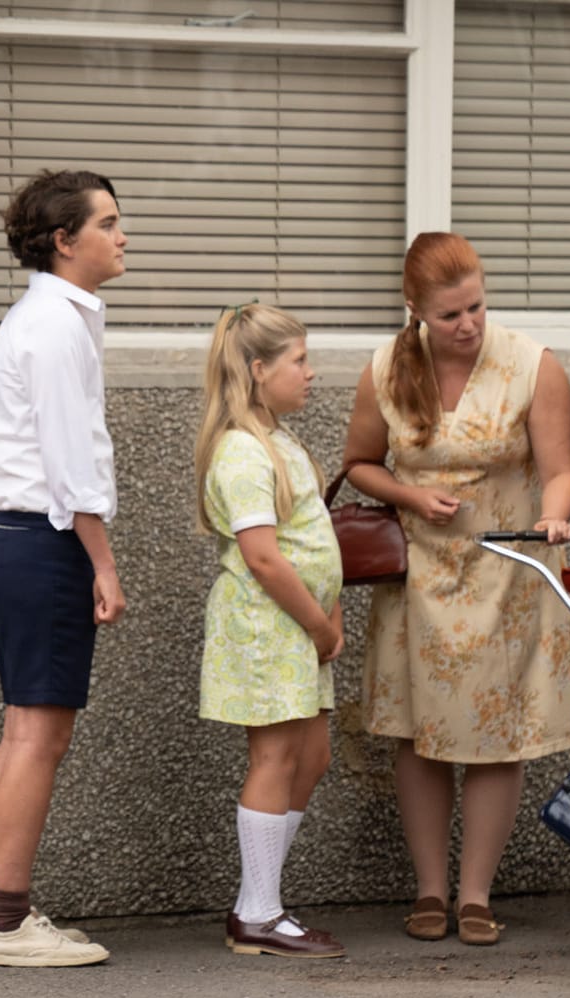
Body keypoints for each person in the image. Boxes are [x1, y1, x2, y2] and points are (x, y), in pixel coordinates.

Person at [341, 232, 570, 947]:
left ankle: (475, 894)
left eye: (476, 306)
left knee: (495, 737)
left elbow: (562, 470)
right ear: (414, 309)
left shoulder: (533, 365)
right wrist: (410, 497)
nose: (469, 323)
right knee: (418, 734)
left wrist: (555, 514)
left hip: (507, 573)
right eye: (450, 315)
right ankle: (429, 890)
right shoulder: (385, 368)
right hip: (417, 575)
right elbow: (359, 462)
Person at [0, 168, 128, 968]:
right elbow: (71, 464)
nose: (123, 237)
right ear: (65, 240)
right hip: (42, 541)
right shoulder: (57, 326)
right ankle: (6, 925)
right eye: (108, 223)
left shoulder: (43, 317)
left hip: (14, 539)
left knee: (22, 731)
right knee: (38, 736)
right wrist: (103, 564)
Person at [193, 306, 346, 959]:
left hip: (301, 629)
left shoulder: (281, 440)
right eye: (299, 361)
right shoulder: (241, 450)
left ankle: (258, 899)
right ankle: (258, 913)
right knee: (275, 758)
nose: (310, 373)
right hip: (270, 628)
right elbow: (261, 556)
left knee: (311, 758)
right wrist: (316, 622)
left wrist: (329, 614)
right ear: (259, 370)